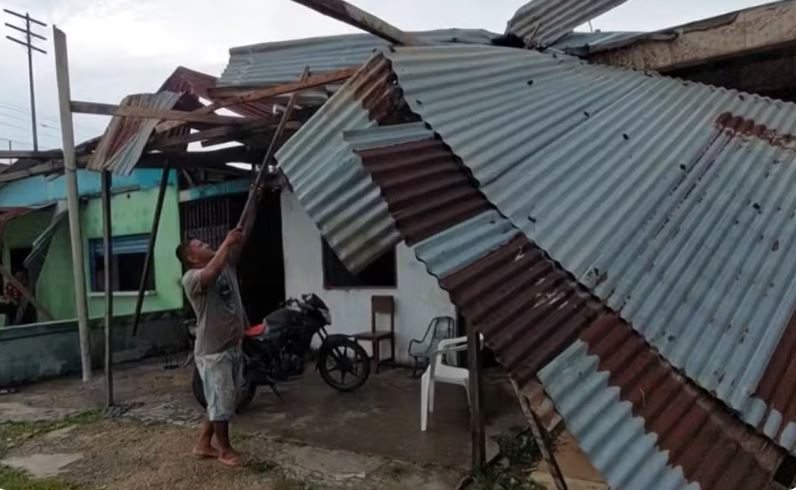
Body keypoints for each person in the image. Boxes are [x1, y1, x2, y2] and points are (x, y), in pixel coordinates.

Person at [176, 228, 247, 467]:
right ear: (192, 257)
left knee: (223, 399)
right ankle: (225, 451)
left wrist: (253, 205)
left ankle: (203, 444)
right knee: (221, 400)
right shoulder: (191, 278)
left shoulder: (225, 265)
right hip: (213, 351)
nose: (206, 244)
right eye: (199, 245)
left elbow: (240, 239)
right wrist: (227, 241)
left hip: (232, 345)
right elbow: (211, 273)